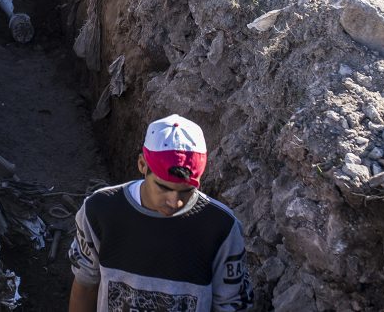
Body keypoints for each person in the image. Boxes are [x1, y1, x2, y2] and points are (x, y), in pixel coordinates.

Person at [68, 114, 253, 312]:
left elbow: (232, 305)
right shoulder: (101, 211)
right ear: (142, 165)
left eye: (186, 191)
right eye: (163, 188)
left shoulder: (220, 227)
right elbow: (85, 286)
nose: (175, 202)